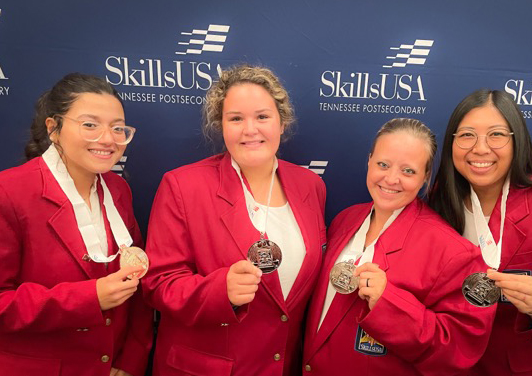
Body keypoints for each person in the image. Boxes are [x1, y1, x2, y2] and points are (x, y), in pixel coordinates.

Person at [142, 65, 327, 376]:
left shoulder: (311, 186)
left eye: (262, 117)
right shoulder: (182, 186)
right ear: (222, 125)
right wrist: (219, 290)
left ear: (281, 123)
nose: (250, 129)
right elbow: (157, 284)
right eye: (236, 118)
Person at [303, 118, 494, 375]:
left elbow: (460, 349)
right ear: (369, 160)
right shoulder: (345, 220)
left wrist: (389, 304)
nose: (391, 179)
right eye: (383, 164)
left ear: (425, 177)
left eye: (408, 171)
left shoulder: (454, 252)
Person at [0, 73, 153, 376]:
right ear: (53, 128)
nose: (108, 139)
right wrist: (88, 298)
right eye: (90, 125)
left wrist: (130, 360)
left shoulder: (118, 191)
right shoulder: (9, 192)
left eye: (117, 128)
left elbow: (138, 282)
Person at [429, 89, 532, 375]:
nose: (480, 148)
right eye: (467, 135)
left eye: (496, 134)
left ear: (516, 140)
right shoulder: (438, 202)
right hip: (453, 365)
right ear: (452, 143)